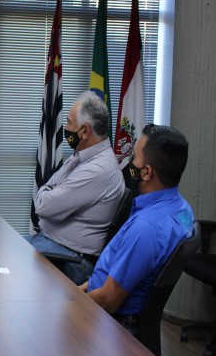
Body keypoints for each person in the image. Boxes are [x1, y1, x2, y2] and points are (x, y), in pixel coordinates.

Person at [81, 124, 194, 336]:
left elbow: (108, 301)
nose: (129, 163)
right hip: (105, 302)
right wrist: (75, 293)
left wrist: (70, 304)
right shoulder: (182, 209)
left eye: (133, 158)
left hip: (111, 325)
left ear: (147, 173)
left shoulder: (146, 229)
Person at [28, 91, 124, 285]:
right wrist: (49, 192)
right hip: (54, 246)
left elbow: (44, 207)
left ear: (85, 131)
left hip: (72, 260)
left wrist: (49, 193)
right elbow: (47, 189)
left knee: (8, 258)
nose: (66, 128)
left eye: (69, 122)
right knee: (4, 247)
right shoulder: (82, 156)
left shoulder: (98, 170)